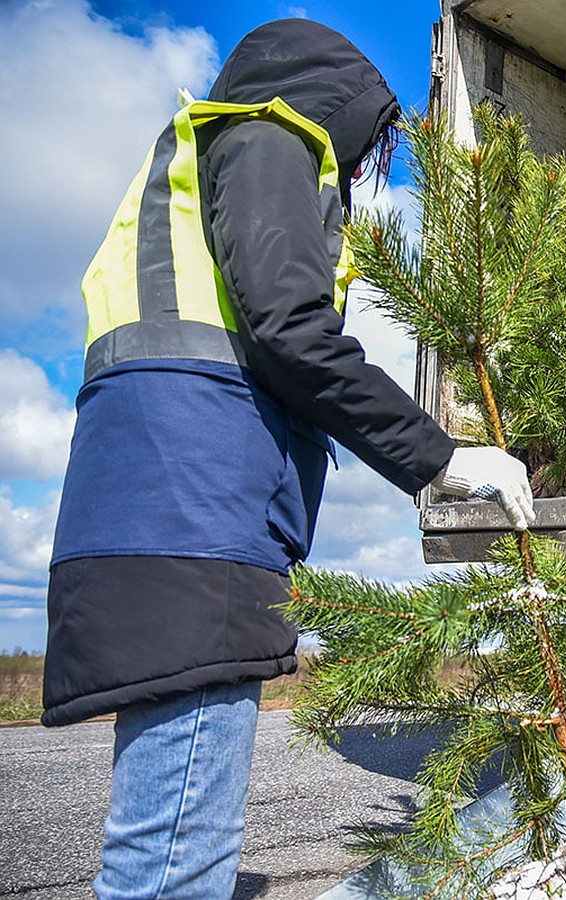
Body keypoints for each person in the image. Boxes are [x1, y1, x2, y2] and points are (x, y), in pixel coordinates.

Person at [41, 19, 534, 899]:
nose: (361, 165)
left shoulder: (200, 165)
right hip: (193, 527)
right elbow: (291, 331)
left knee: (159, 834)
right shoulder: (269, 137)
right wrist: (442, 456)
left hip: (151, 516)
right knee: (173, 861)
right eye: (370, 140)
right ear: (332, 103)